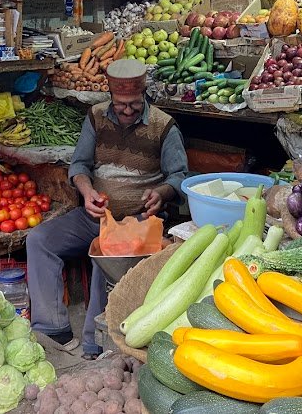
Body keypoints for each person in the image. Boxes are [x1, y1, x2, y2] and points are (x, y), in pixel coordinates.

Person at [26, 58, 188, 359]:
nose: (127, 110)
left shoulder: (164, 126)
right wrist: (87, 193)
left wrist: (162, 193)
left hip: (140, 219)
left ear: (144, 95)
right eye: (121, 103)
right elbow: (79, 165)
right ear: (111, 96)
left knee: (109, 251)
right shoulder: (96, 116)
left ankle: (96, 343)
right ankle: (52, 329)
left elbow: (179, 176)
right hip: (96, 214)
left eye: (134, 104)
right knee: (39, 240)